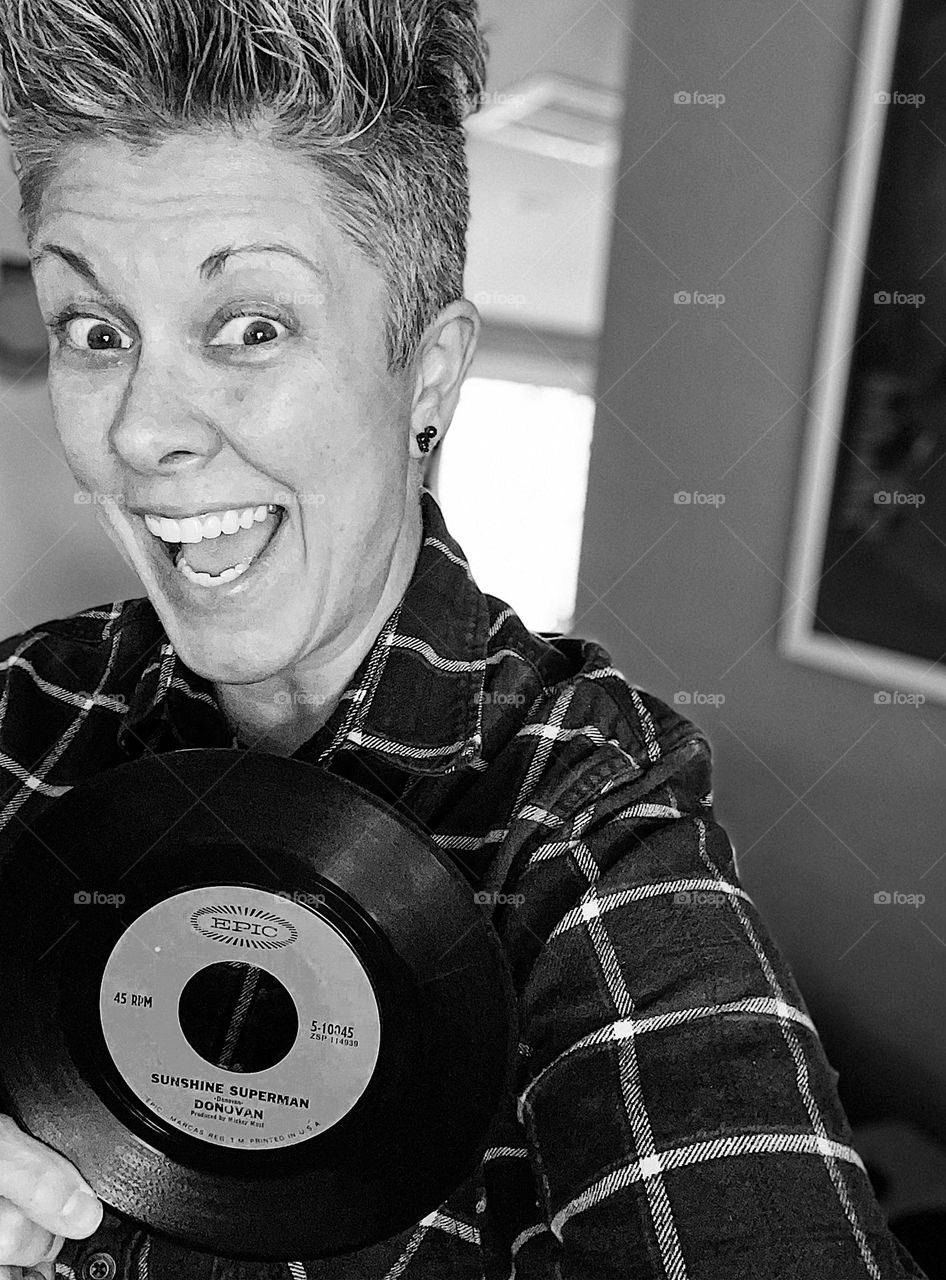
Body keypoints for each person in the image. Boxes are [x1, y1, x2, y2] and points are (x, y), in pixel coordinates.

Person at [0, 1, 930, 1278]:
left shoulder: (591, 806)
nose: (141, 429)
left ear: (427, 376)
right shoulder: (20, 702)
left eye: (252, 325)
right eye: (95, 331)